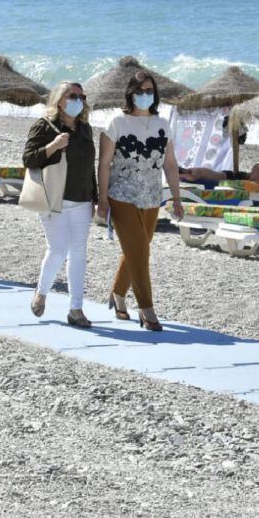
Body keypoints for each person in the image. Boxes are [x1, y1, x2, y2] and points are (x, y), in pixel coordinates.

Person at [97, 67, 183, 331]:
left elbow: (170, 164)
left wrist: (176, 197)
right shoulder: (117, 123)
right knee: (140, 252)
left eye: (149, 91)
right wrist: (102, 200)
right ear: (130, 94)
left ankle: (118, 294)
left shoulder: (162, 124)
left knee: (136, 250)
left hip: (151, 198)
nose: (145, 95)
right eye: (140, 91)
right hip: (121, 196)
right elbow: (104, 165)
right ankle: (147, 309)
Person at [22, 81, 97, 328]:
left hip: (82, 199)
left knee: (79, 253)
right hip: (53, 198)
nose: (78, 100)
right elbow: (28, 158)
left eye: (81, 96)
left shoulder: (85, 128)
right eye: (72, 95)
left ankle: (76, 309)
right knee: (57, 249)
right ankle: (41, 292)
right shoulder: (44, 126)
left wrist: (95, 198)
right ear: (59, 100)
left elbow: (89, 167)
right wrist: (53, 145)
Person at [180, 163, 259, 188]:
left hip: (227, 177)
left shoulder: (193, 173)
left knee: (257, 169)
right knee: (257, 170)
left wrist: (179, 176)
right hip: (227, 177)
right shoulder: (192, 174)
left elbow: (192, 177)